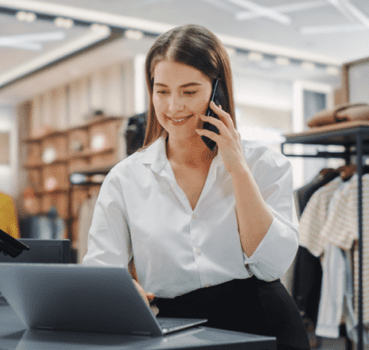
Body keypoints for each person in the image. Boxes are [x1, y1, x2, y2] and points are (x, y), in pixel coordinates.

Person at [83, 24, 309, 350]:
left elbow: (272, 264)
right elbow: (101, 272)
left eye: (189, 92)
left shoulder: (264, 165)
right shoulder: (124, 179)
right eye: (162, 91)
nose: (173, 106)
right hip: (175, 330)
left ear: (218, 91)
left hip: (264, 324)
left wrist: (238, 170)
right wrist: (122, 291)